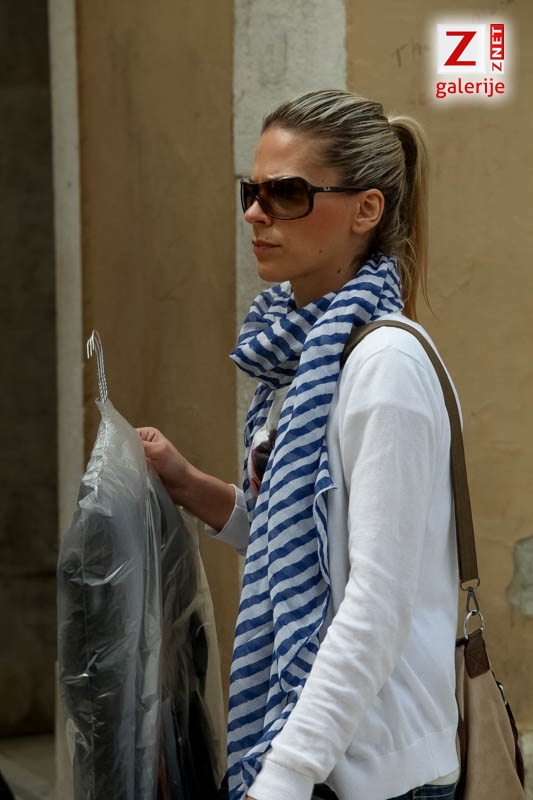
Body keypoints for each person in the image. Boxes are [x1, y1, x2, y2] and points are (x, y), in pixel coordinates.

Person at [138, 89, 459, 800]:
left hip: (375, 774)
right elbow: (306, 545)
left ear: (365, 210)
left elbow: (374, 603)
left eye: (287, 194)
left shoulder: (383, 367)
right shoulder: (305, 358)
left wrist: (280, 777)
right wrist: (188, 484)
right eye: (251, 192)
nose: (256, 213)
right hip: (324, 758)